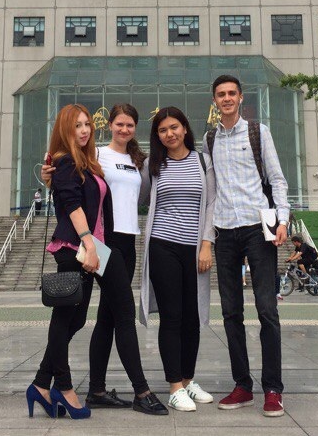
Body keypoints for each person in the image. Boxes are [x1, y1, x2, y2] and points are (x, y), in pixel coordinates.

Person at [28, 104, 167, 420]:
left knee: (79, 319)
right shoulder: (76, 159)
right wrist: (90, 243)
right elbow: (72, 203)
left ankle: (42, 383)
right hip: (87, 246)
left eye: (86, 124)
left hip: (99, 245)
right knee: (95, 315)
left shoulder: (87, 160)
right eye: (77, 125)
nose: (84, 130)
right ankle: (135, 391)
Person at [205, 74, 290, 417]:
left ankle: (273, 389)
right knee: (230, 312)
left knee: (267, 310)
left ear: (240, 97)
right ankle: (242, 385)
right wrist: (208, 235)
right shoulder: (210, 139)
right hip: (225, 230)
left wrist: (283, 219)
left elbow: (277, 178)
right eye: (220, 94)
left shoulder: (258, 132)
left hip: (258, 228)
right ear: (215, 101)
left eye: (231, 93)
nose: (226, 98)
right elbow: (211, 190)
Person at [139, 107, 215, 412]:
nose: (169, 134)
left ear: (185, 128)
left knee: (192, 317)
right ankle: (174, 387)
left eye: (174, 127)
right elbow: (137, 195)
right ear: (157, 135)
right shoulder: (153, 164)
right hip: (162, 246)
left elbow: (211, 203)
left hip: (194, 249)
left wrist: (207, 243)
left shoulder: (203, 161)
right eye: (162, 130)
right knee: (172, 317)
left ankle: (187, 380)